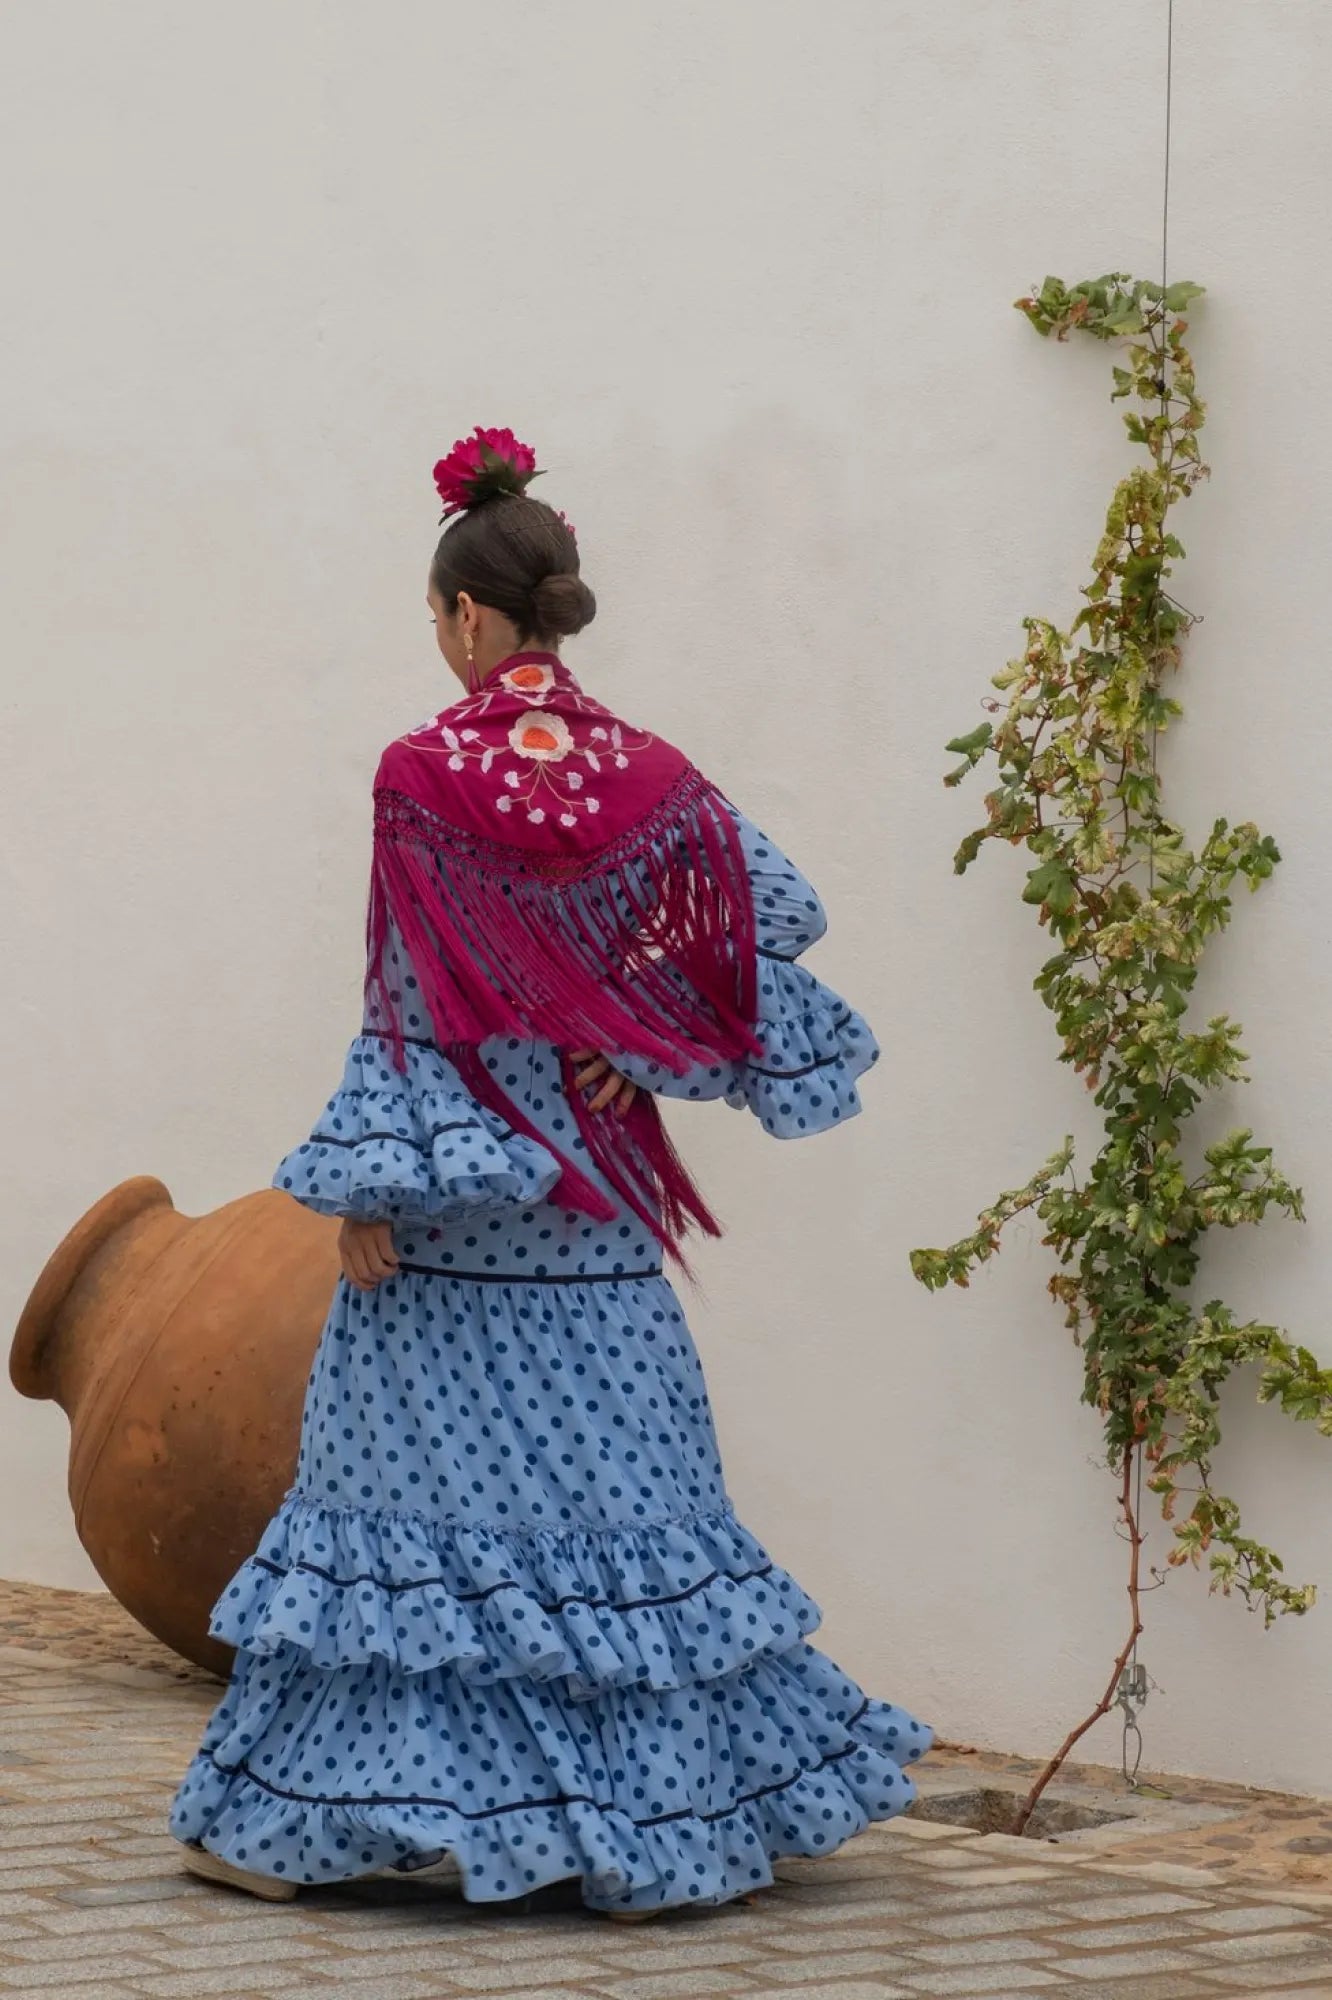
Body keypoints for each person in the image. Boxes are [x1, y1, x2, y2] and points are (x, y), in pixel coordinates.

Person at [170, 427, 929, 1919]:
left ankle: (330, 1823)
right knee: (623, 1516)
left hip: (451, 1222)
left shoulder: (421, 772)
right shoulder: (654, 774)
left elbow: (407, 996)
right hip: (595, 1214)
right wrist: (639, 1031)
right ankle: (653, 1827)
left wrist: (371, 1187)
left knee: (399, 1530)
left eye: (433, 615)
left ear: (465, 615)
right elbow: (778, 915)